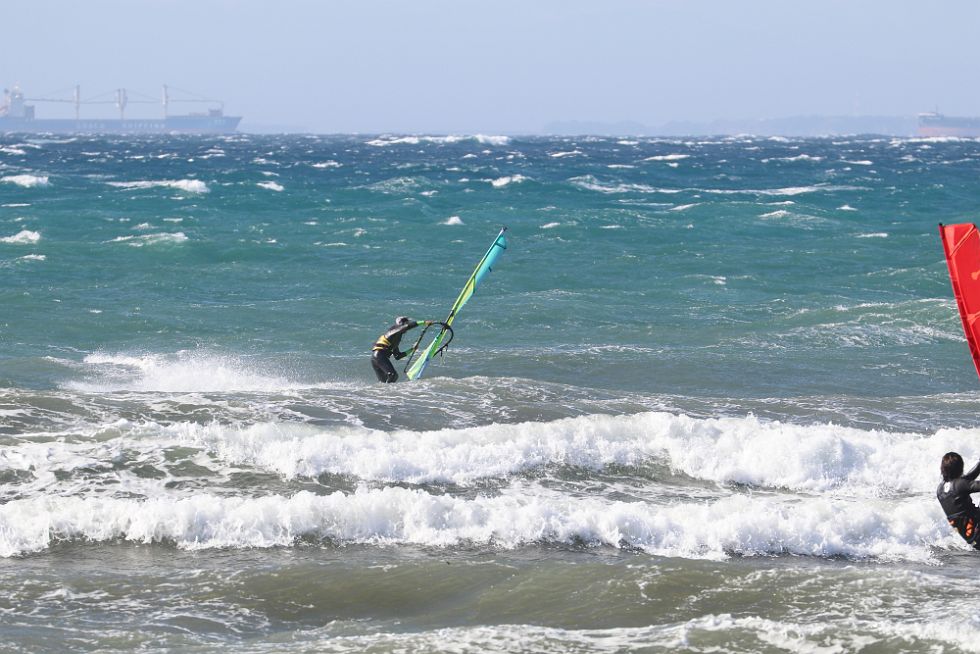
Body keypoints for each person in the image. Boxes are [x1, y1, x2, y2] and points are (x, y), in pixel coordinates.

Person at [937, 451, 980, 548]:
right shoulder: (959, 485)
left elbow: (967, 479)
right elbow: (966, 483)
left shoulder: (940, 489)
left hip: (973, 540)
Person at [371, 316, 432, 383]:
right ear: (400, 324)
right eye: (406, 323)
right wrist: (423, 322)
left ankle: (384, 390)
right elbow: (406, 327)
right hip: (379, 355)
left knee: (384, 381)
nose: (407, 324)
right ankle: (388, 389)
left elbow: (398, 356)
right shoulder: (393, 331)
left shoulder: (396, 339)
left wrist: (412, 349)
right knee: (393, 375)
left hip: (376, 358)